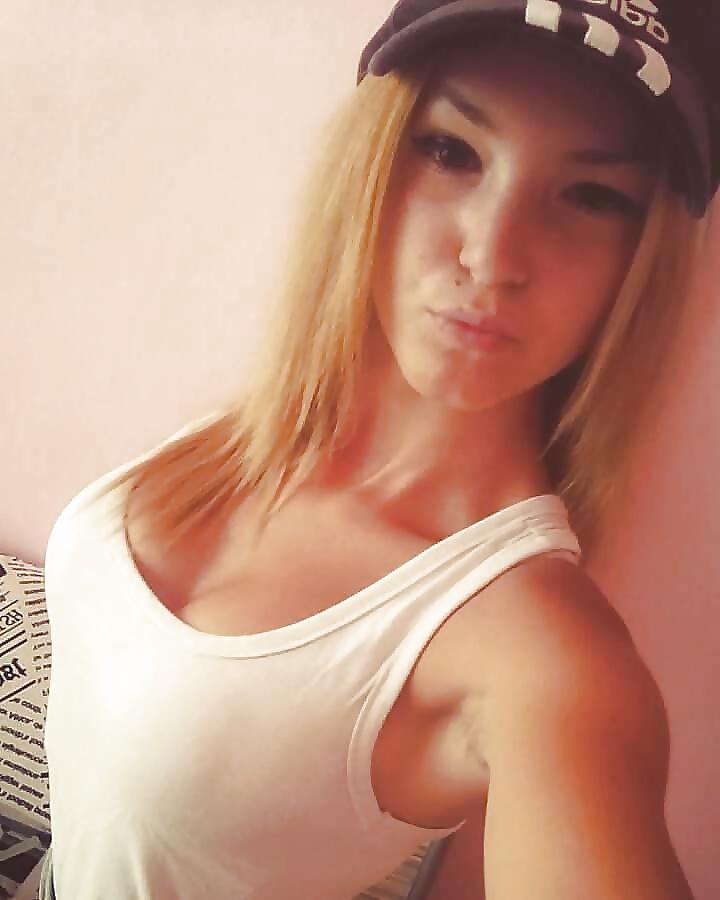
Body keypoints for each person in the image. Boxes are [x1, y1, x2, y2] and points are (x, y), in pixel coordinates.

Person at [39, 1, 718, 898]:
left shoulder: (543, 663)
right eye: (450, 151)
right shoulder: (257, 436)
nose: (492, 256)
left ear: (647, 259)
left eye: (592, 196)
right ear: (370, 155)